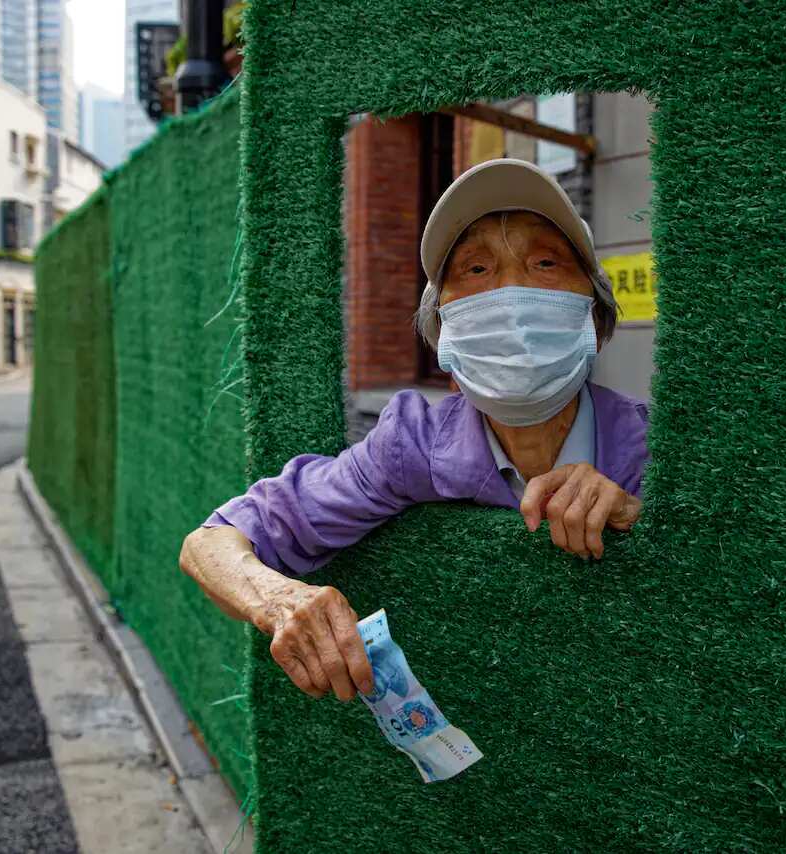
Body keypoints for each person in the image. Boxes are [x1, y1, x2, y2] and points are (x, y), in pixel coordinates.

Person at [180, 158, 650, 704]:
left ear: (593, 315)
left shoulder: (651, 446)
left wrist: (635, 517)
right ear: (444, 331)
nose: (512, 296)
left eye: (545, 262)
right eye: (476, 270)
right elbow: (210, 542)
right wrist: (278, 599)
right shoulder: (413, 442)